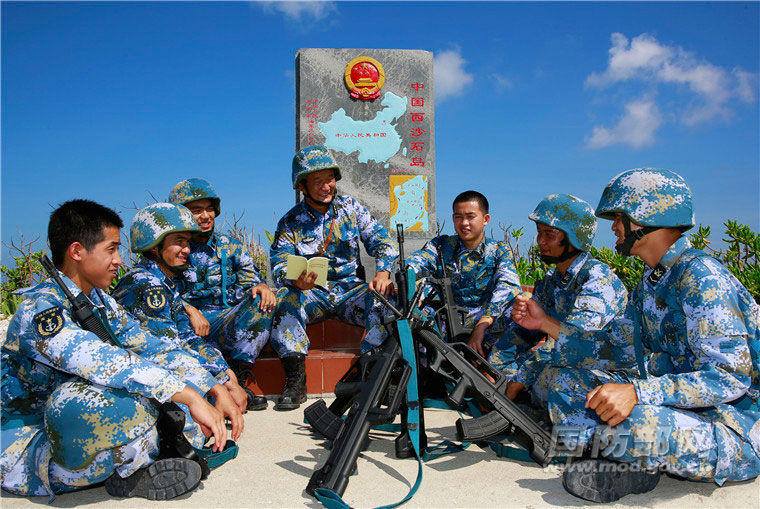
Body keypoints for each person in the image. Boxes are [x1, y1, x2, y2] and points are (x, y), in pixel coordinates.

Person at [515, 169, 760, 503]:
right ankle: (617, 455)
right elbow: (617, 347)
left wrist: (637, 392)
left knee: (635, 422)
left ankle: (619, 455)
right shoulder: (651, 282)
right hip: (680, 406)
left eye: (618, 218)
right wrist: (543, 324)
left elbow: (730, 378)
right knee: (562, 380)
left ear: (646, 217)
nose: (613, 227)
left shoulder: (702, 278)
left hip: (736, 426)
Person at [1, 199, 227, 500]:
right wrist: (184, 393)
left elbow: (153, 348)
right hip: (33, 438)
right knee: (107, 403)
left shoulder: (100, 302)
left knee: (176, 407)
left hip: (76, 430)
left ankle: (138, 458)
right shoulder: (40, 309)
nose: (119, 260)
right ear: (77, 251)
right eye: (111, 249)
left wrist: (210, 386)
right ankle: (130, 464)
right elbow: (100, 360)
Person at [269, 145, 398, 410]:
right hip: (311, 292)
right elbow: (279, 263)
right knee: (285, 302)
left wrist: (383, 273)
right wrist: (295, 281)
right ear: (302, 186)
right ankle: (296, 380)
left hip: (350, 290)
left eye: (330, 178)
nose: (326, 186)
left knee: (383, 302)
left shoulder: (351, 209)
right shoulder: (289, 222)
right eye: (318, 181)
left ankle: (373, 373)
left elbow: (382, 241)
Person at [112, 202, 250, 436]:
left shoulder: (164, 283)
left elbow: (190, 341)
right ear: (155, 246)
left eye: (187, 242)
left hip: (168, 373)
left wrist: (228, 379)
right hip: (144, 382)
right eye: (179, 242)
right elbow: (165, 353)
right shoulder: (146, 285)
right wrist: (216, 388)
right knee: (196, 430)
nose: (186, 249)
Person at [488, 194, 629, 408]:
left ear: (575, 238)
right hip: (567, 362)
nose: (540, 241)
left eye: (549, 234)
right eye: (539, 233)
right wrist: (492, 369)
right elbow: (523, 333)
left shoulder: (598, 280)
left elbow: (568, 343)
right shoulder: (552, 280)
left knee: (548, 380)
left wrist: (516, 382)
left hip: (610, 375)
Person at [364, 190, 521, 359]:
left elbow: (508, 286)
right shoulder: (441, 245)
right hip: (443, 319)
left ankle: (499, 365)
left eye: (470, 216)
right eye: (458, 217)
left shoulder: (499, 250)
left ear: (485, 219)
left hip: (485, 320)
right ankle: (375, 359)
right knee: (384, 299)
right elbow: (414, 262)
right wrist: (413, 284)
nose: (464, 223)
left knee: (521, 306)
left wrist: (483, 323)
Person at [168, 178, 274, 410]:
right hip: (189, 327)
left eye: (209, 209)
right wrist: (188, 309)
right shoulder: (172, 249)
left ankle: (239, 379)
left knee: (262, 301)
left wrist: (262, 287)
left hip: (226, 322)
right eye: (196, 210)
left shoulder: (231, 246)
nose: (205, 216)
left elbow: (250, 281)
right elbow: (161, 290)